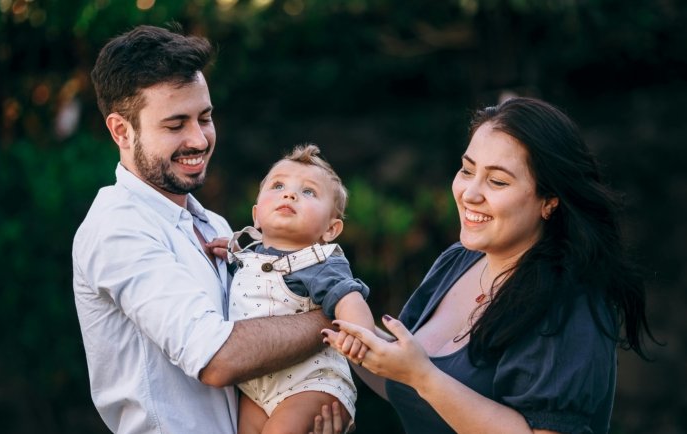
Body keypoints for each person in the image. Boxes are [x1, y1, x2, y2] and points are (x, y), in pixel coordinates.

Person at [316, 97, 657, 434]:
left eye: (498, 181)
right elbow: (404, 379)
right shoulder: (458, 260)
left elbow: (418, 377)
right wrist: (335, 311)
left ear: (549, 201)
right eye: (467, 170)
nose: (470, 193)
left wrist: (423, 376)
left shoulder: (569, 301)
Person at [72, 24, 333, 433]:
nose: (199, 139)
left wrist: (305, 403)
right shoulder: (116, 228)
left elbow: (261, 335)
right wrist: (336, 321)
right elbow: (218, 358)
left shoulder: (213, 224)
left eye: (205, 118)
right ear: (121, 130)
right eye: (175, 125)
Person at [227, 144, 373, 434]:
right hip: (255, 387)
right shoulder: (243, 257)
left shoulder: (318, 262)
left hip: (310, 384)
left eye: (308, 192)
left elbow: (348, 296)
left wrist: (360, 335)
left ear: (330, 230)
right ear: (256, 216)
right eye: (278, 185)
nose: (289, 194)